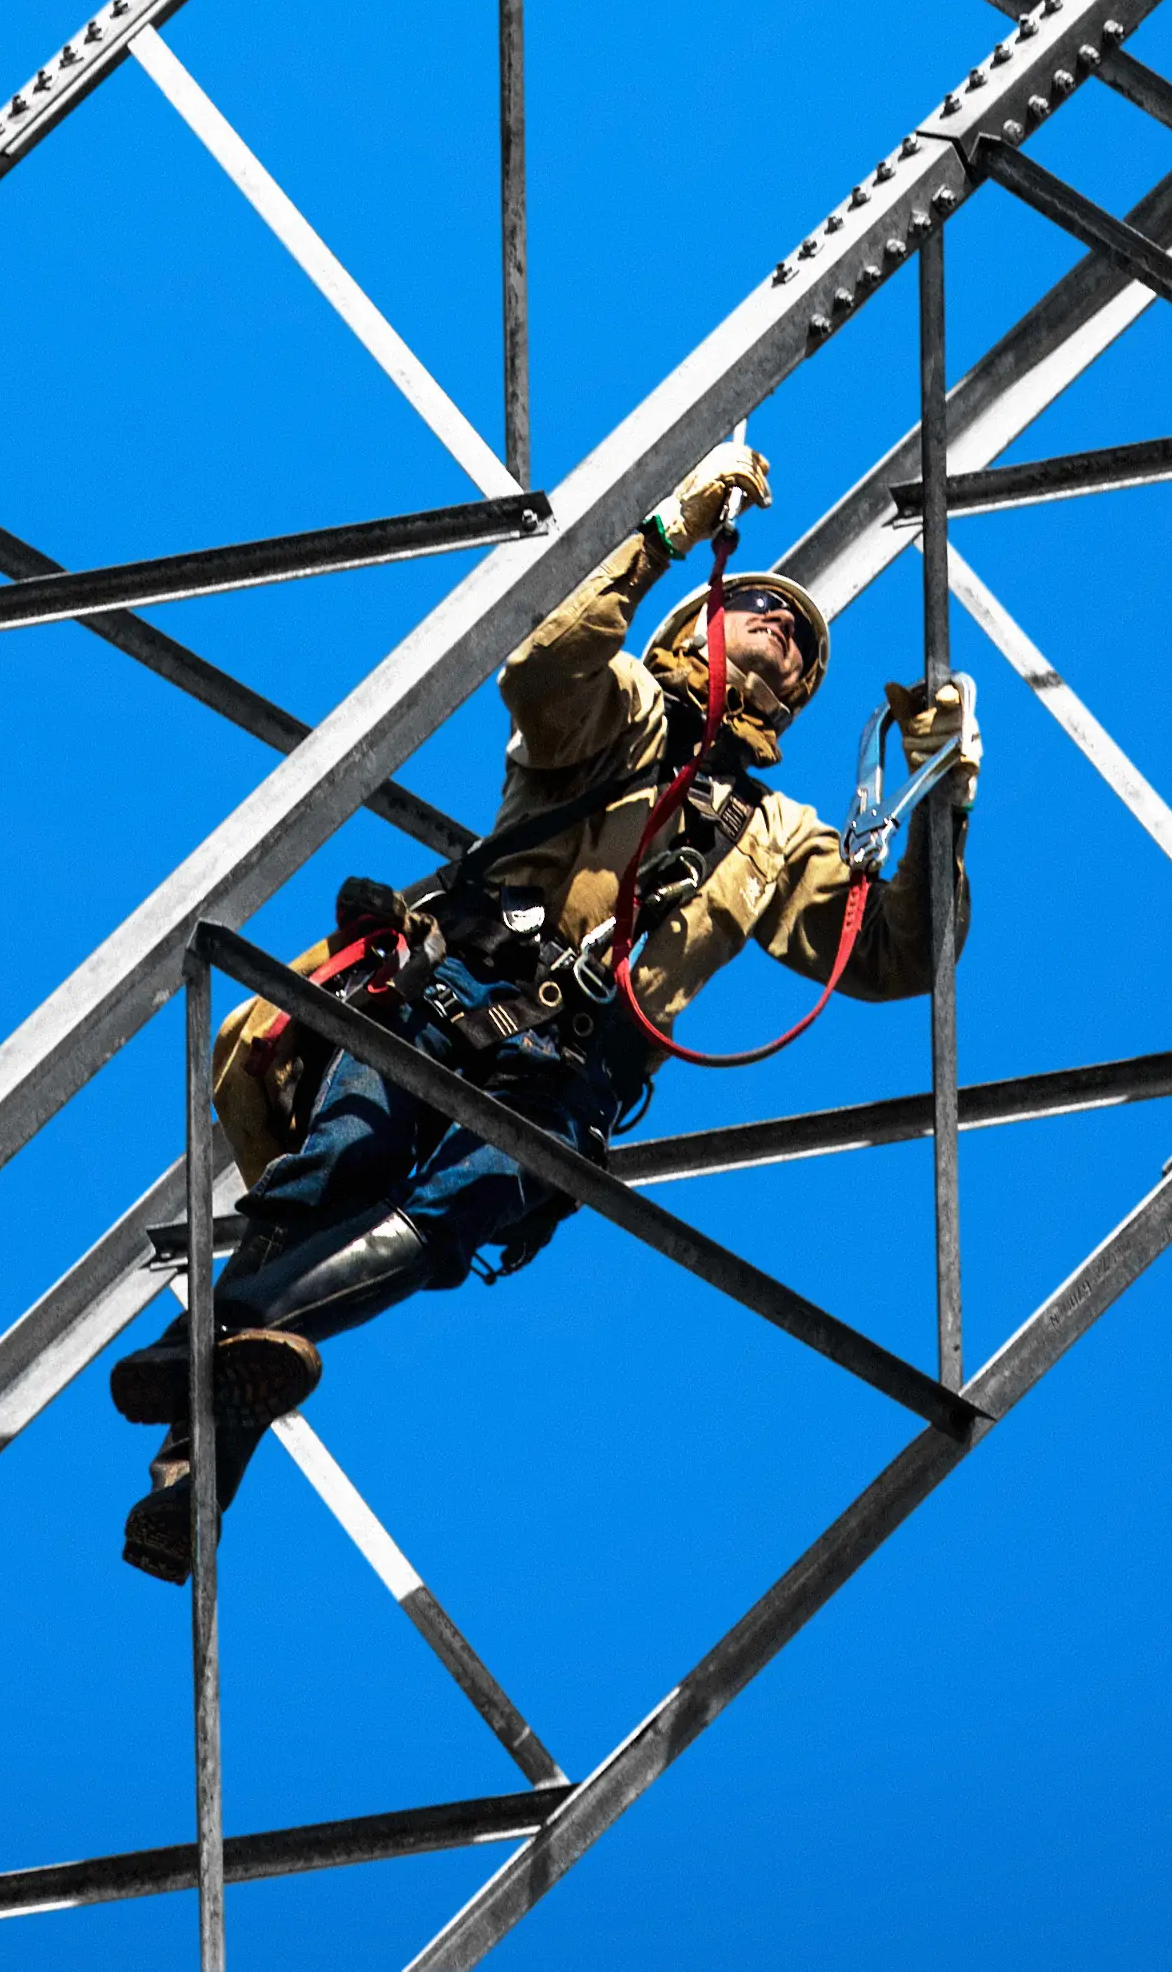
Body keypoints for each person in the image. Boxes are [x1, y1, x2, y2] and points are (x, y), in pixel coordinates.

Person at [111, 441, 981, 1580]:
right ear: (693, 628)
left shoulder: (781, 838)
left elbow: (898, 954)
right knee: (341, 1161)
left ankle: (203, 1366)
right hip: (449, 996)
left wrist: (942, 801)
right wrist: (668, 532)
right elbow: (547, 665)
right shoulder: (617, 720)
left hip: (569, 1076)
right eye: (762, 614)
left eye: (803, 645)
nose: (786, 633)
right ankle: (198, 1456)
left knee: (455, 1213)